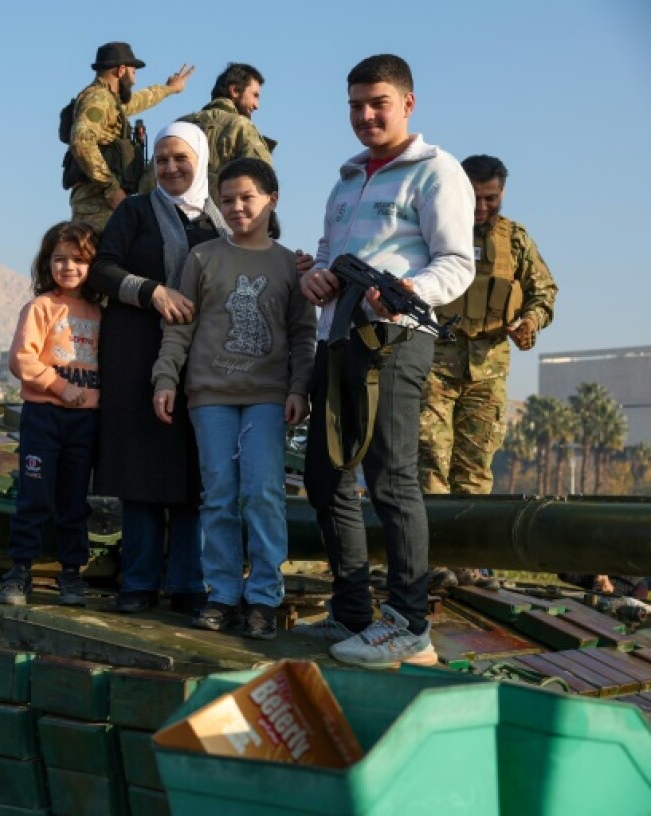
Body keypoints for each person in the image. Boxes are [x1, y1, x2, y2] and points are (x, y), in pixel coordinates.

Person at [295, 54, 475, 669]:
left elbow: (457, 262)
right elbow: (326, 251)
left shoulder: (437, 172)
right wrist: (317, 279)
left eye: (378, 103)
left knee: (391, 479)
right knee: (325, 476)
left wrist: (404, 294)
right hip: (338, 337)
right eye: (355, 105)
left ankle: (408, 624)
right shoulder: (346, 180)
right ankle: (352, 612)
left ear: (408, 105)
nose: (365, 115)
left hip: (394, 340)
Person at [152, 158, 316, 638]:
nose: (237, 207)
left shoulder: (290, 264)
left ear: (272, 199)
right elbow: (178, 327)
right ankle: (222, 592)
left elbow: (303, 335)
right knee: (219, 495)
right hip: (210, 396)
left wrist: (298, 388)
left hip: (267, 396)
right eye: (227, 200)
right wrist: (165, 379)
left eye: (247, 197)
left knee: (263, 494)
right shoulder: (203, 259)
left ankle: (264, 596)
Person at [88, 121, 229, 615]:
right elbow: (102, 270)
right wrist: (153, 292)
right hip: (137, 353)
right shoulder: (135, 211)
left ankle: (189, 584)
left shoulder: (221, 219)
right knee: (142, 472)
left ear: (201, 161)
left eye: (180, 159)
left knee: (195, 473)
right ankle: (140, 582)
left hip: (204, 359)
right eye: (162, 159)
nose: (170, 167)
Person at [420, 154, 558, 591]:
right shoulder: (433, 230)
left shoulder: (514, 240)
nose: (481, 207)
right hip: (434, 368)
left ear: (502, 195)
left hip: (488, 371)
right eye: (474, 198)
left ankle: (468, 559)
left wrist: (531, 322)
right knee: (430, 461)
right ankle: (431, 559)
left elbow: (544, 291)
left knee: (475, 469)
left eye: (490, 199)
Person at [0, 221, 102, 607]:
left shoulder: (99, 314)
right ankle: (20, 570)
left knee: (74, 500)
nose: (69, 267)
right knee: (35, 496)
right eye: (60, 259)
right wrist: (62, 387)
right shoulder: (41, 308)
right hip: (44, 416)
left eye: (79, 259)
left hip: (84, 423)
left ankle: (71, 573)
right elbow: (21, 359)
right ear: (47, 263)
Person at [65, 41, 194, 233]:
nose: (134, 79)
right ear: (120, 70)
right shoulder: (98, 98)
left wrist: (169, 89)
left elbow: (137, 101)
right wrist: (111, 188)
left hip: (101, 204)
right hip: (95, 207)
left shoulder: (109, 100)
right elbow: (81, 141)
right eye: (133, 72)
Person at [145, 63, 276, 206]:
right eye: (254, 95)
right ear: (234, 91)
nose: (257, 105)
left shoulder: (177, 127)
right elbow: (263, 183)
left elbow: (148, 184)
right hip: (221, 224)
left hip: (168, 223)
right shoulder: (241, 126)